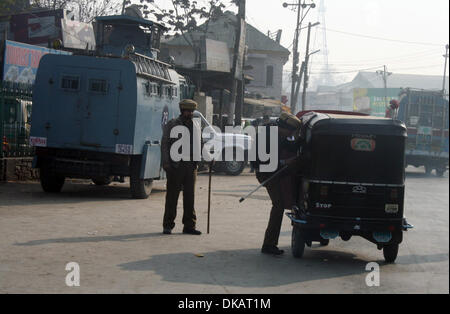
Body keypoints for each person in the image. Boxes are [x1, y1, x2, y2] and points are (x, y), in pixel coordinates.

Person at [251, 112, 303, 255]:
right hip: (266, 172)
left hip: (275, 170)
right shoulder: (266, 136)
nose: (290, 134)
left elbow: (290, 145)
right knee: (278, 205)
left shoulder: (277, 133)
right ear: (283, 127)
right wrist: (284, 162)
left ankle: (269, 243)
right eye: (290, 132)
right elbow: (262, 163)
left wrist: (300, 141)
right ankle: (268, 244)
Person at [161, 99, 202, 235]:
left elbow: (200, 144)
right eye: (187, 111)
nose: (189, 113)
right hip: (176, 166)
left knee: (190, 197)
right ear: (181, 111)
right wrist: (166, 163)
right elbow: (165, 144)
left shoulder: (196, 125)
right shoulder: (172, 124)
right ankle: (168, 225)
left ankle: (189, 226)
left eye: (191, 111)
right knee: (172, 197)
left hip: (191, 166)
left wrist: (207, 157)